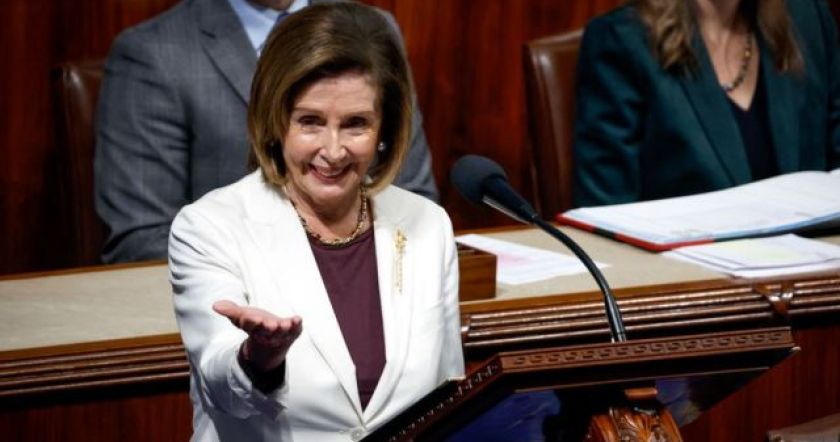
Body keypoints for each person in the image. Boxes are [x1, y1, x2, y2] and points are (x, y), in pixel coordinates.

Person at [168, 3, 464, 440]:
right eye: (310, 122)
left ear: (385, 129)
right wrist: (257, 360)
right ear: (275, 121)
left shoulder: (428, 225)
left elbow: (449, 395)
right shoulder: (208, 228)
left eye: (356, 124)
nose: (333, 150)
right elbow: (220, 384)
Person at [95, 0, 438, 264]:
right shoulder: (153, 52)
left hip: (378, 292)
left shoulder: (373, 31)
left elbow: (414, 200)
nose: (333, 151)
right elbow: (142, 242)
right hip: (235, 311)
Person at [573, 0, 840, 207]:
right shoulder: (622, 41)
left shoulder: (808, 21)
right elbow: (606, 213)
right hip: (683, 260)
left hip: (813, 258)